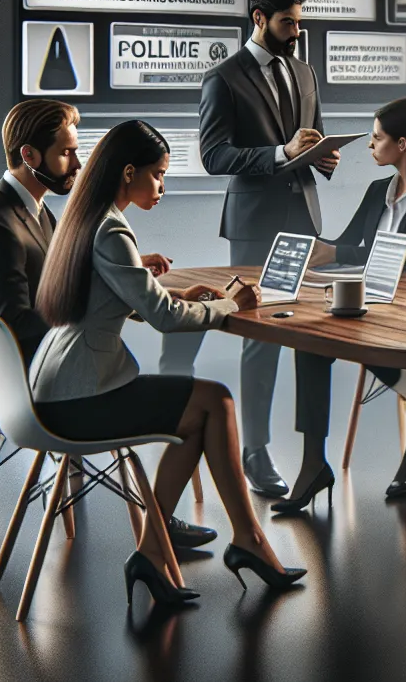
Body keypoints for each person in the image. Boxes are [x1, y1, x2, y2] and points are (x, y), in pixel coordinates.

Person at [30, 121, 305, 604]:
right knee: (215, 401)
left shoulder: (85, 218)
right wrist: (229, 306)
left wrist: (179, 291)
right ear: (129, 171)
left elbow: (120, 299)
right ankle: (248, 541)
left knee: (199, 414)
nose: (162, 186)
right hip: (81, 395)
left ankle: (158, 553)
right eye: (158, 175)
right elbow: (162, 319)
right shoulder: (112, 229)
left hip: (56, 384)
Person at [164, 0, 340, 498]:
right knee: (260, 341)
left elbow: (312, 137)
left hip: (303, 218)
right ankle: (255, 452)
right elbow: (214, 156)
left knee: (313, 336)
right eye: (289, 23)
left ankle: (313, 456)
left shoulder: (305, 73)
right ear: (259, 18)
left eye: (300, 21)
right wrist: (282, 154)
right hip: (255, 225)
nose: (297, 32)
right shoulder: (224, 78)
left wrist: (322, 156)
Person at [272, 98, 406, 513]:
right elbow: (353, 244)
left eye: (376, 138)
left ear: (402, 144)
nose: (370, 146)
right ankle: (314, 463)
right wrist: (325, 252)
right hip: (368, 308)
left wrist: (344, 257)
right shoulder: (376, 191)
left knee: (400, 366)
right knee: (310, 341)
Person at [0, 99, 81, 362]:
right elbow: (15, 326)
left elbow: (66, 271)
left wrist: (124, 269)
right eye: (66, 153)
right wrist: (89, 311)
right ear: (29, 156)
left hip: (48, 361)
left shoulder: (37, 210)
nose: (77, 165)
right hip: (28, 371)